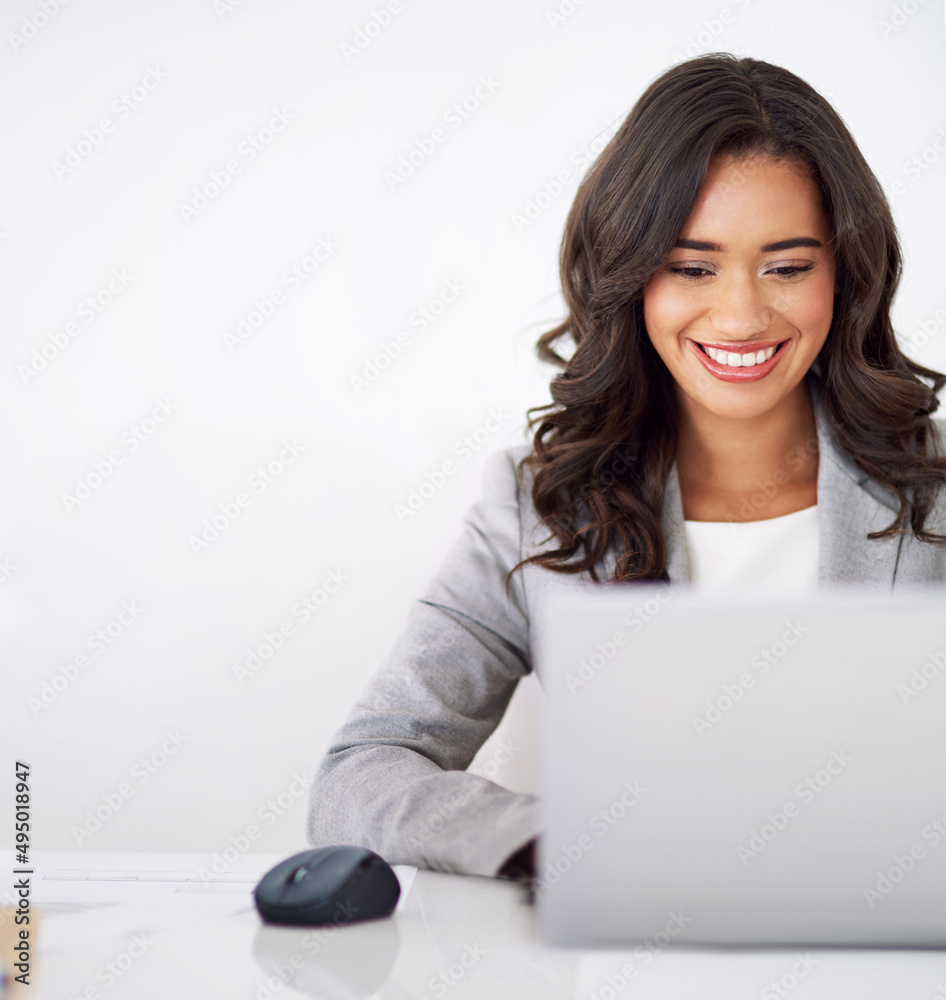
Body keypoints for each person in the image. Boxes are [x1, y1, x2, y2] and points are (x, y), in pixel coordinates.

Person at [306, 53, 946, 881]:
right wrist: (555, 843)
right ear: (632, 276)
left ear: (844, 274)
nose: (743, 315)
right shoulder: (536, 504)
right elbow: (365, 768)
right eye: (691, 268)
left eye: (788, 267)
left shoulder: (933, 492)